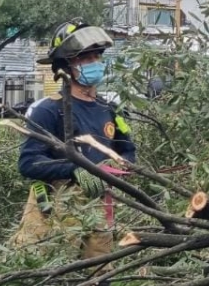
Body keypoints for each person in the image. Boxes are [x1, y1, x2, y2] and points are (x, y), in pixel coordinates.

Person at [14, 20, 135, 261]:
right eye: (85, 59)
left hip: (99, 203)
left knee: (99, 270)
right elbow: (28, 163)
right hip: (54, 206)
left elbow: (128, 154)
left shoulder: (111, 110)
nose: (94, 63)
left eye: (96, 57)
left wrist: (113, 170)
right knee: (50, 270)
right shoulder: (48, 110)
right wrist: (76, 169)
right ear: (65, 66)